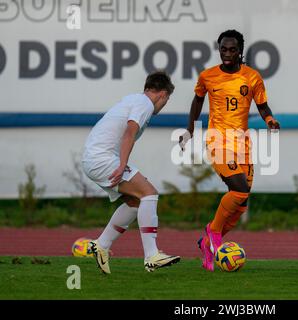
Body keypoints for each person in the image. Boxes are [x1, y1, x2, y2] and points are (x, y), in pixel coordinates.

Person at [179, 30, 280, 271]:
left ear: (240, 51)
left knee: (241, 203)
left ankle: (206, 244)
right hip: (218, 141)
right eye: (223, 49)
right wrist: (190, 130)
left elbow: (263, 106)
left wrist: (270, 121)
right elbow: (197, 101)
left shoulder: (252, 77)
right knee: (239, 188)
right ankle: (213, 232)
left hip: (242, 144)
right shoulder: (208, 76)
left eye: (232, 49)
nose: (227, 53)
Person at [82, 71, 180, 274]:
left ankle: (101, 245)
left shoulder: (134, 100)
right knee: (149, 193)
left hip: (94, 158)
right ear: (162, 94)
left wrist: (121, 162)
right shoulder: (145, 104)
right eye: (167, 99)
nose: (164, 104)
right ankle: (152, 256)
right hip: (101, 159)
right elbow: (129, 133)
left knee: (136, 202)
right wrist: (122, 164)